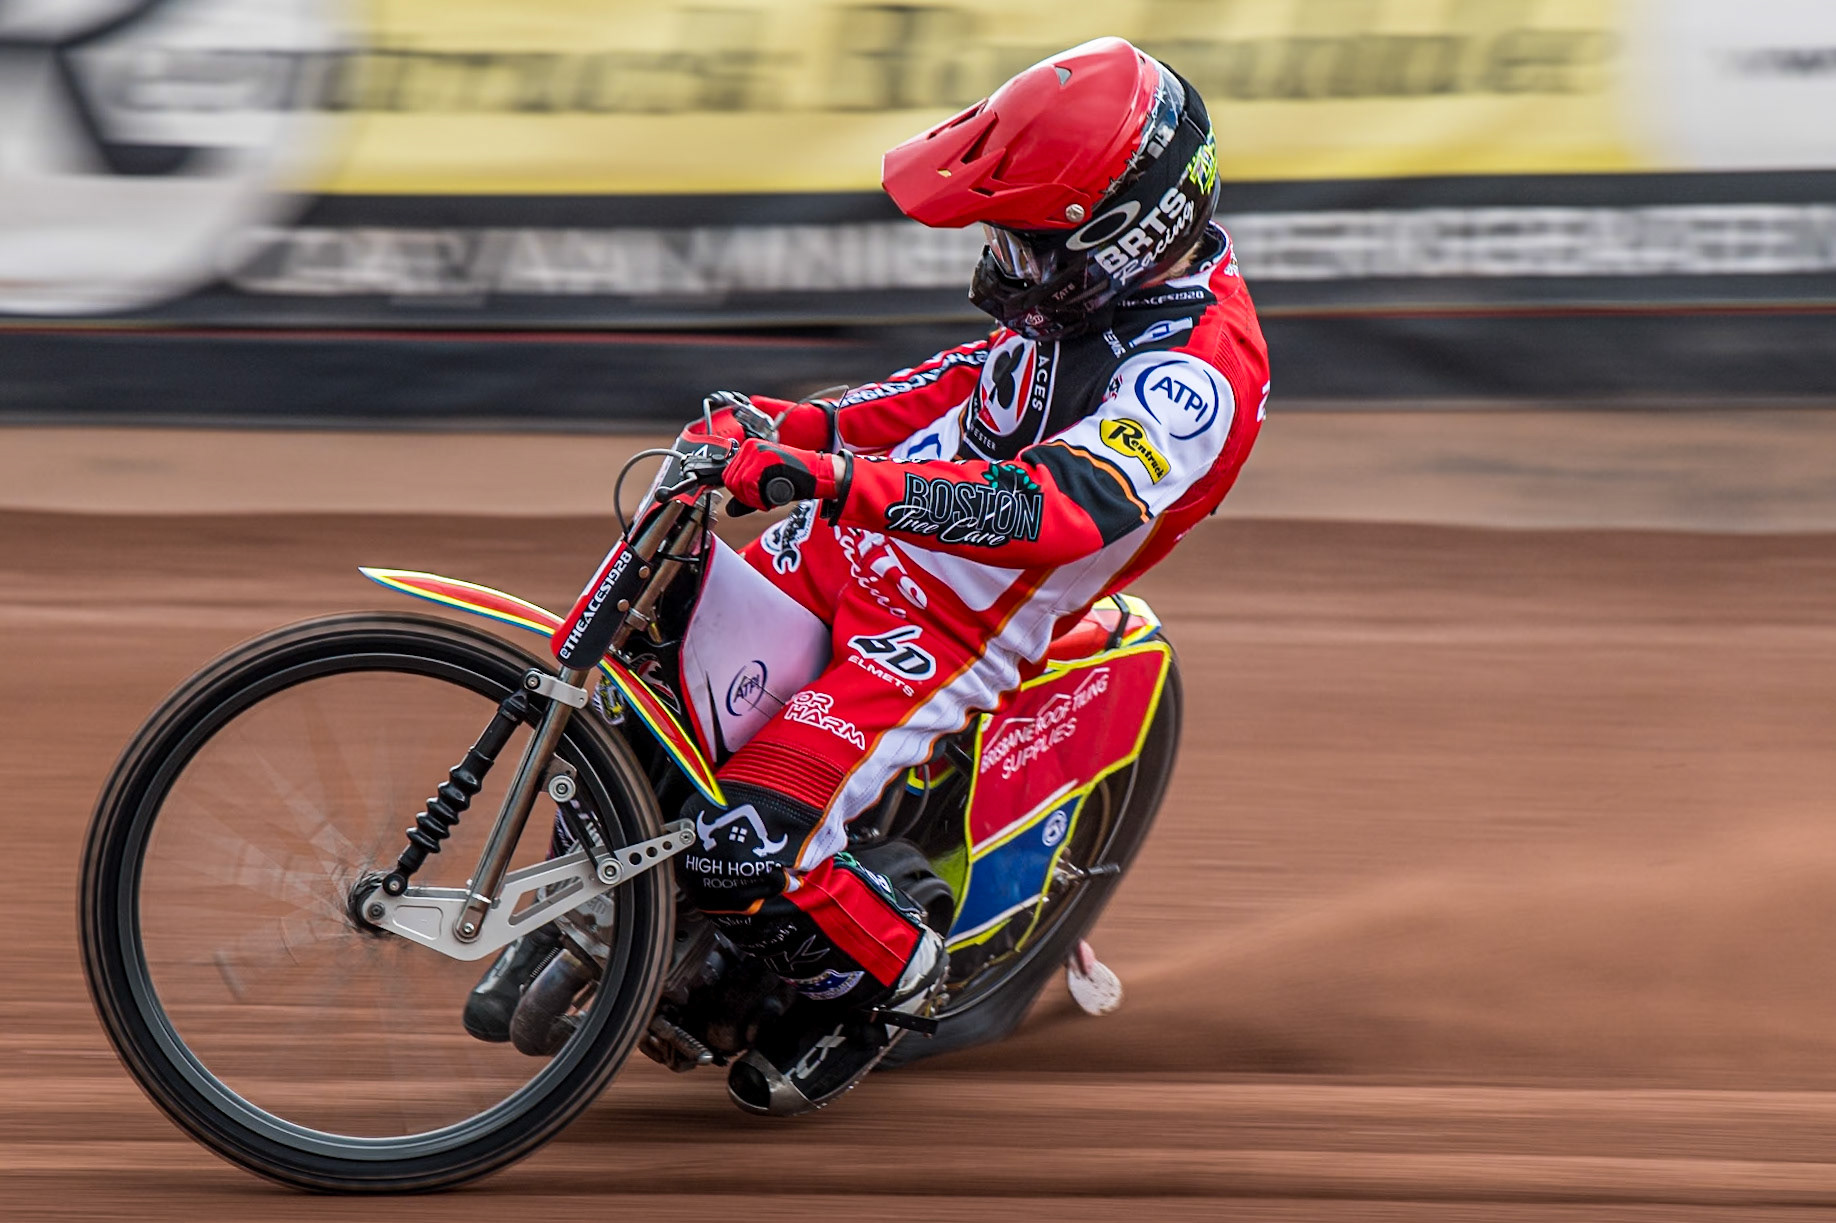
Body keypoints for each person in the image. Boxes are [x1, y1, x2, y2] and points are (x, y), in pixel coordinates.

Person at [472, 36, 1270, 1116]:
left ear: (1128, 238)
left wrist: (829, 476)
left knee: (741, 846)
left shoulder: (1197, 372)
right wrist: (782, 425)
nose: (1009, 261)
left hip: (942, 633)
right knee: (631, 658)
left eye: (1029, 243)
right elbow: (944, 392)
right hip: (833, 564)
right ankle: (603, 907)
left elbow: (1049, 509)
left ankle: (886, 981)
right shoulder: (1077, 304)